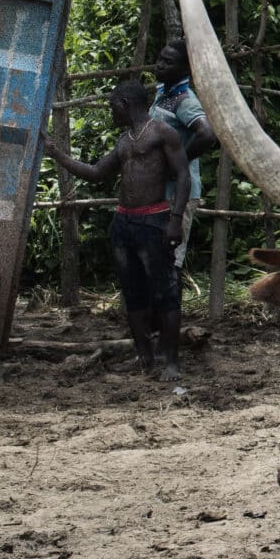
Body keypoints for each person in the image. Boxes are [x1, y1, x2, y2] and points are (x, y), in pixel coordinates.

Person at [46, 77, 192, 380]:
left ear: (125, 104)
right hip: (124, 224)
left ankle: (171, 364)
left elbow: (182, 175)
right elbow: (97, 173)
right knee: (134, 294)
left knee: (166, 293)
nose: (111, 112)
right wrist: (57, 154)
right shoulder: (125, 140)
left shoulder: (162, 133)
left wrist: (175, 219)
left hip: (154, 222)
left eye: (113, 106)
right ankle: (146, 360)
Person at [149, 37, 215, 268]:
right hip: (162, 191)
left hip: (177, 193)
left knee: (170, 259)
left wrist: (179, 164)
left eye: (168, 62)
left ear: (185, 69)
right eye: (160, 59)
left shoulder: (184, 101)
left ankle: (171, 304)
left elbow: (207, 134)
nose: (160, 65)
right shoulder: (164, 93)